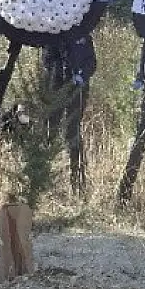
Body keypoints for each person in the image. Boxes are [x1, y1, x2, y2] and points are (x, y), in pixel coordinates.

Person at [42, 35, 95, 190]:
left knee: (73, 132)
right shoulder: (52, 35)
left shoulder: (83, 35)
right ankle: (42, 180)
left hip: (77, 90)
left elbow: (91, 62)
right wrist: (62, 76)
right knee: (49, 131)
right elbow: (47, 61)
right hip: (55, 89)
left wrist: (81, 75)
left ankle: (78, 181)